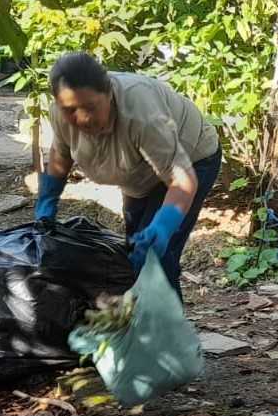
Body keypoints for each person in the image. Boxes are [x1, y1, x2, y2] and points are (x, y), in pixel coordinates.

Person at [35, 53, 221, 297]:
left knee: (155, 259)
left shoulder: (141, 113)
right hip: (138, 174)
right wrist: (47, 203)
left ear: (110, 94)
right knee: (135, 253)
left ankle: (164, 332)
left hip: (190, 159)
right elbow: (61, 154)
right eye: (71, 110)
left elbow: (182, 180)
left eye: (91, 107)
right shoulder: (60, 113)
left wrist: (163, 226)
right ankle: (135, 317)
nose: (82, 119)